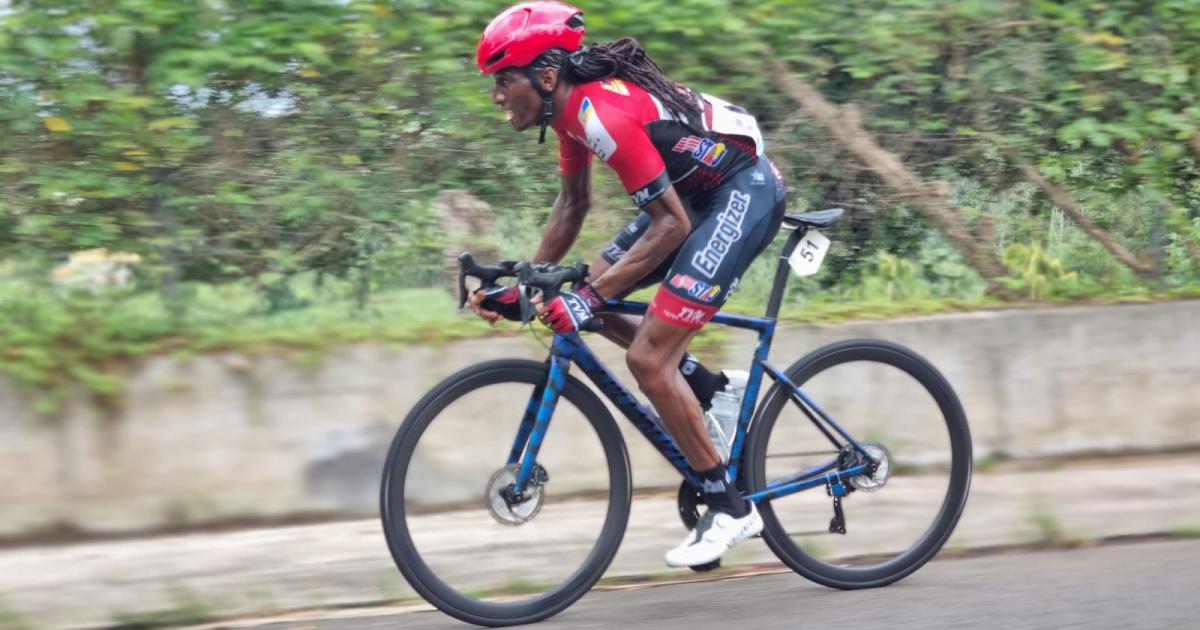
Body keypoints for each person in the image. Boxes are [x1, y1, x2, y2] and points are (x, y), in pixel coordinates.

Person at [468, 0, 786, 568]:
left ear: (544, 76)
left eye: (502, 80)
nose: (495, 96)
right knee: (587, 292)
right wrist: (527, 287)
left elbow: (671, 226)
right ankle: (713, 391)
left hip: (740, 192)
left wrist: (587, 296)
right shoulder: (565, 111)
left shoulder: (598, 116)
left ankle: (731, 507)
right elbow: (573, 204)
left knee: (646, 359)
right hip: (690, 196)